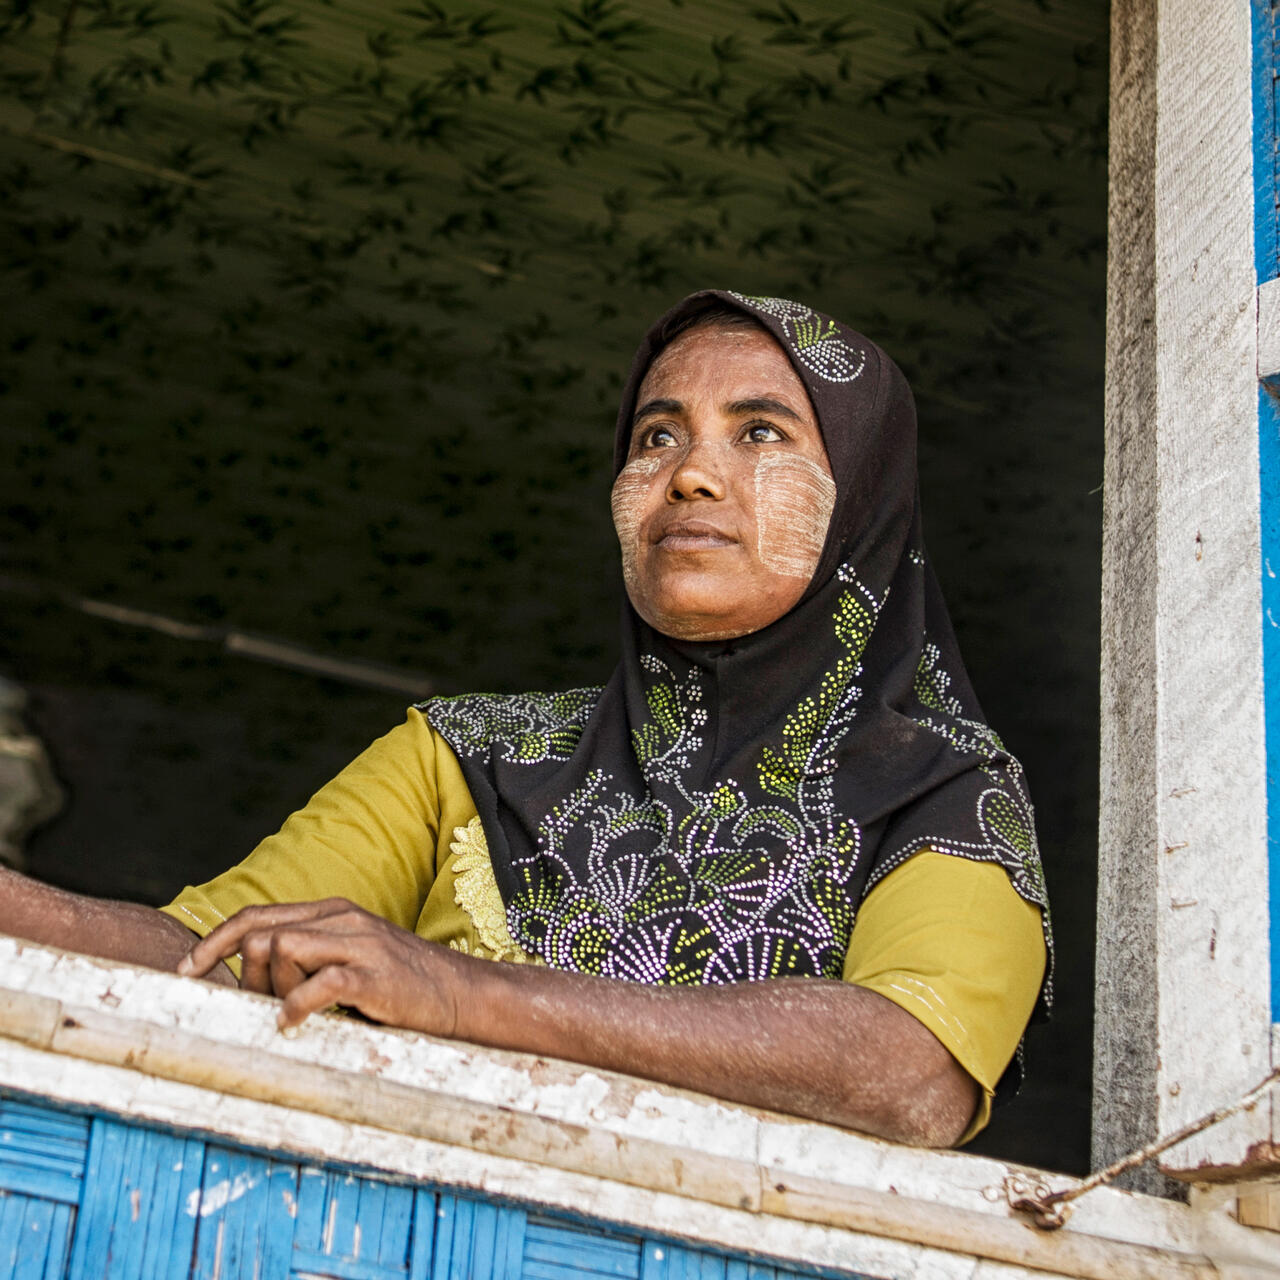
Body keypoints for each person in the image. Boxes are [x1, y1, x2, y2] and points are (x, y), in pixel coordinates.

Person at [0, 291, 1048, 1149]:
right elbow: (208, 952)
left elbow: (910, 1069)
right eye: (655, 434)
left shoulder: (942, 787)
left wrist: (461, 993)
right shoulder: (464, 754)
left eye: (759, 431)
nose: (687, 471)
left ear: (861, 499)